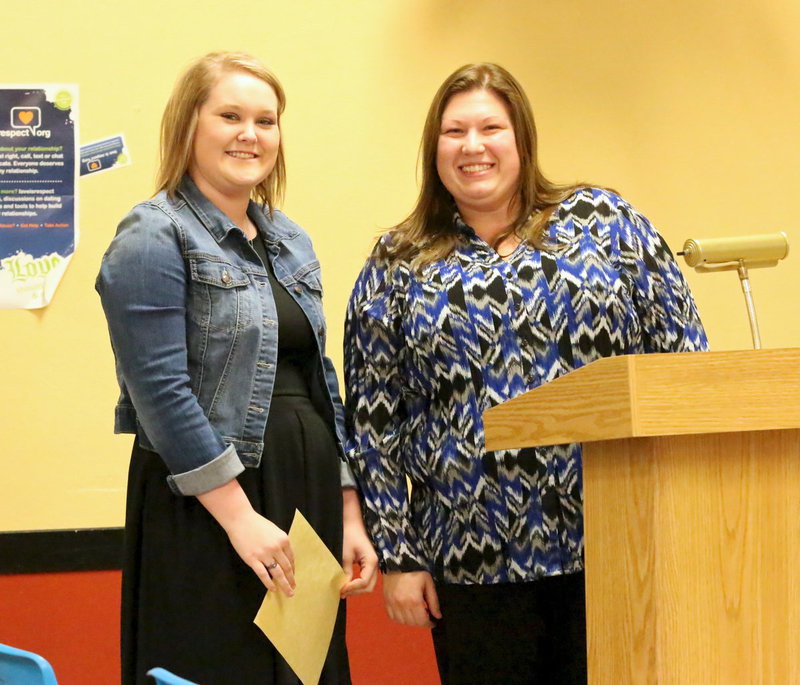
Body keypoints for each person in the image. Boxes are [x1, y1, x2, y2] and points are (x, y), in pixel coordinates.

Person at [343, 62, 708, 685]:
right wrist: (401, 557)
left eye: (491, 127)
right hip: (471, 559)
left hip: (617, 544)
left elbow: (683, 361)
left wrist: (689, 512)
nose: (473, 146)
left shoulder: (606, 223)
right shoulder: (397, 261)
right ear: (434, 148)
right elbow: (375, 421)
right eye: (454, 131)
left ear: (522, 139)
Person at [96, 51, 377, 685]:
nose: (250, 134)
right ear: (189, 126)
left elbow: (319, 380)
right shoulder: (153, 235)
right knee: (224, 668)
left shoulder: (290, 239)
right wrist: (239, 516)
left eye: (266, 120)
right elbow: (160, 392)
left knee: (307, 671)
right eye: (230, 115)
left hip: (305, 498)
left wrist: (348, 508)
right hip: (211, 507)